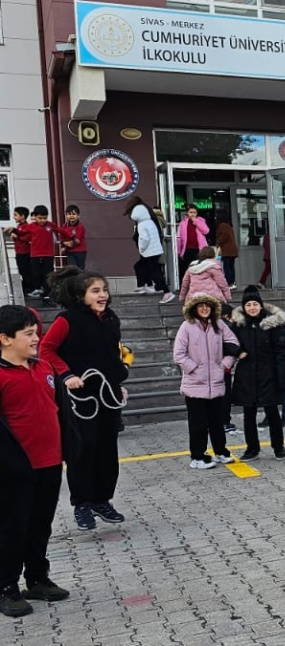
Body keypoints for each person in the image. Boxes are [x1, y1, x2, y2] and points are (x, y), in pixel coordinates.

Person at [41, 267, 130, 532]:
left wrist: (118, 379)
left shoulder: (110, 319)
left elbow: (112, 353)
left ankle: (102, 500)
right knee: (83, 450)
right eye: (96, 291)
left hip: (108, 396)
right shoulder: (66, 320)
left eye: (104, 290)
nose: (102, 295)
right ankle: (82, 504)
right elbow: (46, 349)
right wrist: (67, 374)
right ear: (81, 295)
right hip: (81, 399)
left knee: (107, 450)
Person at [0, 305, 71, 618]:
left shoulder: (43, 368)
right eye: (28, 333)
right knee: (11, 528)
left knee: (40, 525)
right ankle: (6, 587)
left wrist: (72, 448)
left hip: (50, 463)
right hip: (14, 470)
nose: (35, 338)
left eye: (36, 332)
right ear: (4, 338)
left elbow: (61, 412)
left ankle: (37, 578)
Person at [173, 293, 239, 470]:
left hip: (216, 383)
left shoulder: (219, 325)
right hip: (195, 385)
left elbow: (233, 343)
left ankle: (220, 452)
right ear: (194, 308)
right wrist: (194, 368)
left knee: (217, 421)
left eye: (207, 306)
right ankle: (197, 456)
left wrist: (224, 364)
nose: (204, 308)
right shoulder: (187, 326)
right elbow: (178, 354)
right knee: (198, 424)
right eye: (200, 305)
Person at [231, 286, 285, 461]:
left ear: (261, 305)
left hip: (268, 375)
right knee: (248, 414)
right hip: (247, 375)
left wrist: (282, 378)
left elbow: (281, 352)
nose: (252, 307)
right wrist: (237, 351)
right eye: (248, 304)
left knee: (272, 412)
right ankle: (252, 448)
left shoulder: (271, 323)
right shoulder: (238, 325)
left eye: (255, 304)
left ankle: (278, 447)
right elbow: (227, 342)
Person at [127, 196, 175, 304]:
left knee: (154, 272)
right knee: (141, 267)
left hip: (149, 251)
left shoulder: (142, 224)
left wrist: (141, 248)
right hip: (154, 249)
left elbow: (144, 238)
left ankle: (167, 292)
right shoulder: (150, 221)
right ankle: (143, 286)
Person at [21, 206, 63, 303]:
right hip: (35, 254)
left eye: (45, 218)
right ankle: (39, 289)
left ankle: (48, 291)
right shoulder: (31, 227)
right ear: (35, 217)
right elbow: (24, 235)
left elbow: (60, 233)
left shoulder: (50, 226)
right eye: (40, 218)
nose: (43, 220)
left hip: (48, 254)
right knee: (36, 272)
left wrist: (67, 240)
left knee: (48, 273)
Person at [177, 207, 209, 283]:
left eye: (194, 213)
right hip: (187, 249)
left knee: (198, 267)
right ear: (187, 213)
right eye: (191, 212)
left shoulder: (201, 221)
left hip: (198, 249)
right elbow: (179, 237)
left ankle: (198, 284)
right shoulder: (183, 223)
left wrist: (196, 222)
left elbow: (206, 231)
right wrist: (179, 251)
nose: (192, 214)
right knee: (187, 268)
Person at [220, 303, 238, 434]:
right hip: (223, 368)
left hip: (211, 368)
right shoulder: (227, 327)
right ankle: (224, 421)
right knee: (225, 396)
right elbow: (232, 347)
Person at [6, 207, 32, 295]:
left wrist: (17, 237)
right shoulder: (19, 226)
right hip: (19, 252)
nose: (14, 217)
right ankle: (25, 287)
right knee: (21, 270)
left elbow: (28, 238)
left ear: (23, 216)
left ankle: (28, 287)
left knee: (26, 271)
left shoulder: (27, 227)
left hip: (25, 252)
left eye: (16, 215)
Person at [215, 216, 239, 288]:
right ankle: (232, 282)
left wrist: (218, 242)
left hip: (227, 250)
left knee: (227, 267)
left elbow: (224, 235)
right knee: (231, 267)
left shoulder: (222, 225)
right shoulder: (229, 226)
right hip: (232, 250)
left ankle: (229, 282)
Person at [61, 205, 87, 270]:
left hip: (80, 252)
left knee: (80, 270)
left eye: (74, 214)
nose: (71, 216)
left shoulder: (80, 227)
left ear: (78, 216)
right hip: (70, 252)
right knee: (72, 269)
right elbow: (61, 238)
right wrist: (64, 244)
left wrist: (66, 245)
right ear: (66, 215)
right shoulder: (64, 226)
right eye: (69, 214)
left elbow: (77, 241)